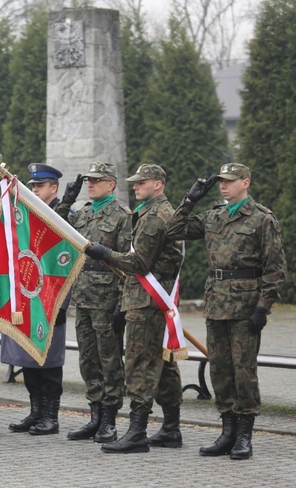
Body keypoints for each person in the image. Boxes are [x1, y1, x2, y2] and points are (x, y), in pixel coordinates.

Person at [166, 162, 287, 460]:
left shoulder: (262, 219)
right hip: (217, 302)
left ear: (245, 183)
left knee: (243, 371)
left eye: (230, 181)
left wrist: (263, 308)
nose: (223, 186)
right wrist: (190, 200)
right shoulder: (214, 216)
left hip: (246, 306)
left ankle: (245, 435)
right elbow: (175, 229)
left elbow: (275, 270)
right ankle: (227, 431)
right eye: (221, 181)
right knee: (220, 369)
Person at [85, 163, 184, 454]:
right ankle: (170, 428)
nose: (137, 186)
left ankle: (137, 432)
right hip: (149, 300)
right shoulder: (152, 212)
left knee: (140, 364)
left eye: (143, 182)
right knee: (164, 365)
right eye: (136, 182)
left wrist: (105, 253)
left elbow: (139, 263)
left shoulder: (156, 215)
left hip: (147, 301)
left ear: (158, 185)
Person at [54, 162, 131, 443]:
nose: (91, 184)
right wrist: (67, 200)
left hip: (108, 297)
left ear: (111, 184)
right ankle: (95, 416)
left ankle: (110, 419)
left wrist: (121, 305)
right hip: (84, 295)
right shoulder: (84, 212)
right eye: (89, 180)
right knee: (88, 359)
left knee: (110, 360)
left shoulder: (122, 215)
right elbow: (58, 229)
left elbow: (127, 262)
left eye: (97, 180)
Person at [3, 164, 69, 435]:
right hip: (30, 298)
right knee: (29, 357)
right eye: (32, 186)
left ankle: (51, 417)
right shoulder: (29, 215)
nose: (34, 190)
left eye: (39, 186)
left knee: (50, 361)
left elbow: (69, 265)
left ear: (54, 188)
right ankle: (35, 412)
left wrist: (63, 303)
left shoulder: (65, 217)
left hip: (53, 298)